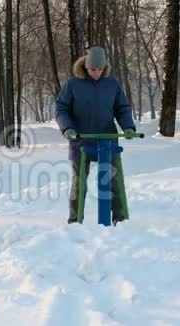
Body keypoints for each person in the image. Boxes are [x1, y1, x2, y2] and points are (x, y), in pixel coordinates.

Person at [55, 46, 136, 225]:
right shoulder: (73, 84)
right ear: (85, 67)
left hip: (107, 140)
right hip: (80, 140)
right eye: (93, 69)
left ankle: (120, 219)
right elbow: (61, 109)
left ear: (104, 67)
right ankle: (75, 221)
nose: (96, 73)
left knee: (114, 180)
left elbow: (122, 108)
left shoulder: (112, 84)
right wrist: (67, 128)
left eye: (100, 69)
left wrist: (128, 127)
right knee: (79, 183)